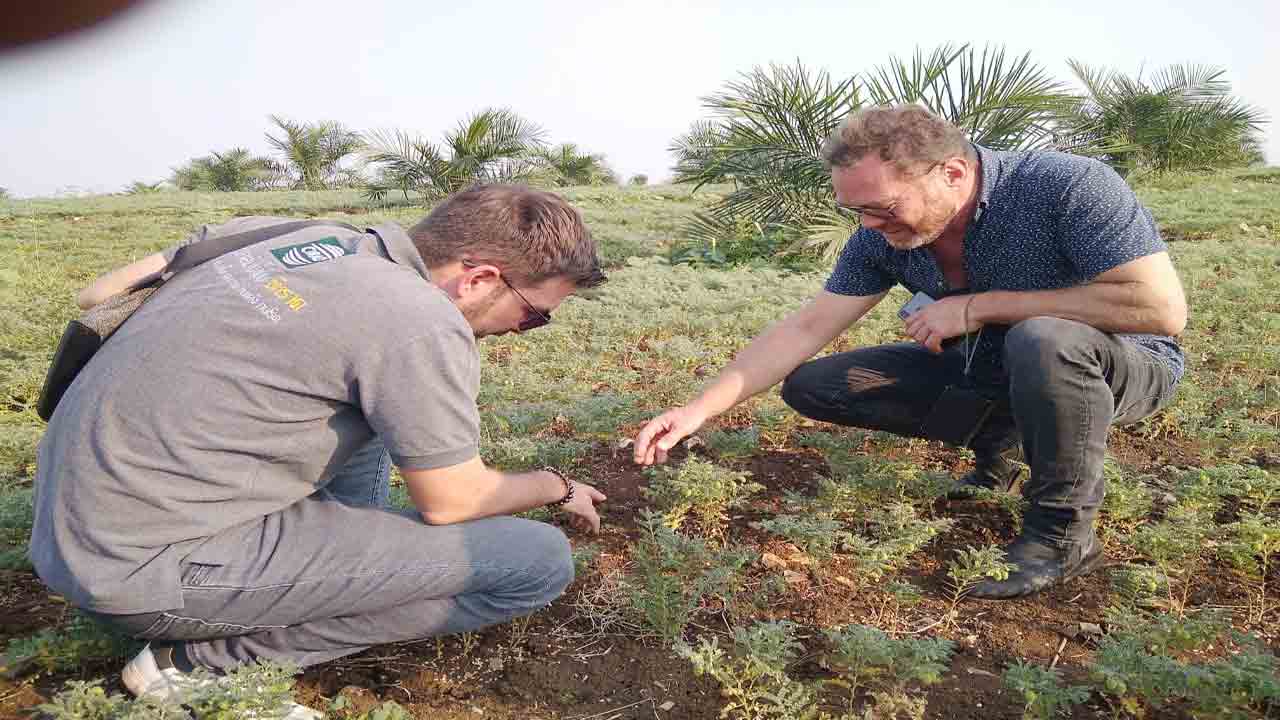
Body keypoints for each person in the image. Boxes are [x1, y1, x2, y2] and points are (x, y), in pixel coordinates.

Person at [32, 184, 608, 718]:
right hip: (143, 572)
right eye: (533, 315)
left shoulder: (294, 233)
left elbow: (98, 293)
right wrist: (558, 485)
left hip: (79, 528)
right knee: (538, 561)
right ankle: (196, 667)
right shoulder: (420, 321)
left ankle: (322, 566)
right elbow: (454, 502)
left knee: (374, 414)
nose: (522, 328)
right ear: (479, 278)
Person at [633, 105, 1186, 600]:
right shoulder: (880, 235)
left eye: (882, 207)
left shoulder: (1066, 186)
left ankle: (1062, 536)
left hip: (1120, 366)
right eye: (857, 212)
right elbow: (807, 327)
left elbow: (1159, 310)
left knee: (1044, 339)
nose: (869, 226)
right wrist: (697, 409)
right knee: (816, 384)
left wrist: (978, 308)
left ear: (952, 172)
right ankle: (1006, 442)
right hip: (991, 365)